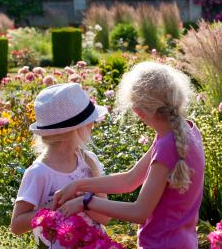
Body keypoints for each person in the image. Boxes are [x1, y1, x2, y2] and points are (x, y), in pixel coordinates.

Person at [54, 61, 205, 249]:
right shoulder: (185, 131)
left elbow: (139, 212)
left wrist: (86, 202)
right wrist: (79, 185)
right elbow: (130, 180)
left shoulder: (168, 145)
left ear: (138, 112)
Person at [10, 83, 111, 247]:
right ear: (76, 130)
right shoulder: (39, 172)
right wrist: (55, 207)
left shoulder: (89, 162)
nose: (94, 125)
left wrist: (83, 203)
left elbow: (106, 217)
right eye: (90, 121)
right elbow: (17, 225)